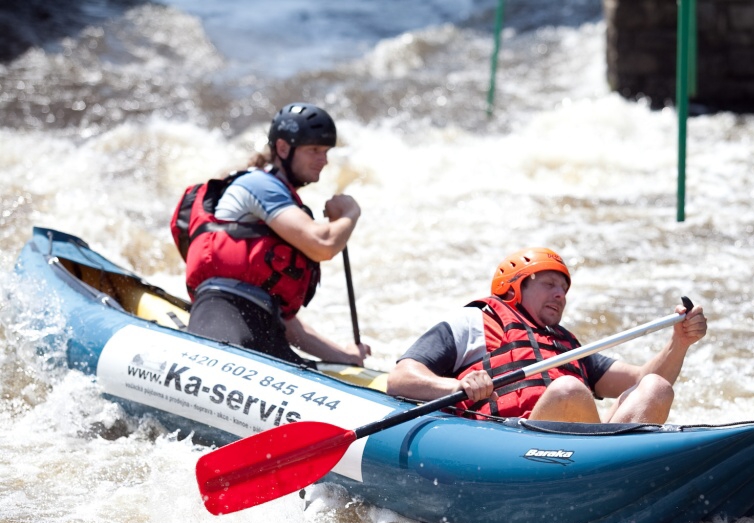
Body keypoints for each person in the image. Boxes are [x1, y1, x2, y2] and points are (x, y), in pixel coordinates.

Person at [386, 247, 707, 424]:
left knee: (655, 388)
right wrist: (458, 386)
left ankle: (621, 472)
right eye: (548, 285)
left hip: (582, 448)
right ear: (513, 288)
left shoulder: (566, 345)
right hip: (511, 443)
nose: (560, 295)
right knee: (569, 390)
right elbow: (401, 378)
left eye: (564, 289)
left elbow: (637, 379)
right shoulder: (471, 322)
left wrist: (678, 343)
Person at [171, 102, 369, 367]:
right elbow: (323, 244)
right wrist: (350, 212)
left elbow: (290, 327)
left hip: (264, 328)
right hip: (222, 315)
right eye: (314, 150)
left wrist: (345, 357)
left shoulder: (283, 202)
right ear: (283, 148)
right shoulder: (259, 185)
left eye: (326, 151)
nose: (323, 159)